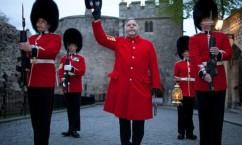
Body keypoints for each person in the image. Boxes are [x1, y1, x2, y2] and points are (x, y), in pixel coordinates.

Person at [86, 1, 161, 144]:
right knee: (124, 121)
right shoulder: (118, 41)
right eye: (128, 25)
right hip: (123, 88)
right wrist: (96, 19)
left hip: (141, 88)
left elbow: (154, 66)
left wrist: (156, 84)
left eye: (134, 24)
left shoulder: (148, 45)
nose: (131, 26)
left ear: (138, 28)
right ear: (125, 29)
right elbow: (101, 38)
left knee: (139, 123)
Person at [189, 0, 233, 145]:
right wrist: (203, 74)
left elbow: (229, 53)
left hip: (219, 82)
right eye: (204, 19)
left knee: (217, 118)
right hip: (202, 84)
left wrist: (219, 53)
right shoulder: (194, 39)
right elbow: (195, 58)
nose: (207, 21)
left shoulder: (221, 37)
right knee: (204, 118)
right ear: (199, 22)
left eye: (208, 19)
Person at [18, 0, 61, 144]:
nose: (39, 24)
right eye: (37, 21)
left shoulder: (55, 38)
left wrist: (30, 49)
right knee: (35, 118)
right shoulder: (31, 38)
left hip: (45, 82)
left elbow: (50, 52)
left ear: (49, 23)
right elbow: (26, 59)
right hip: (32, 81)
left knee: (44, 119)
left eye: (42, 21)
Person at [58, 28, 86, 138]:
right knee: (69, 109)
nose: (71, 47)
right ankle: (70, 128)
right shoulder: (63, 58)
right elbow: (60, 70)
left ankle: (75, 129)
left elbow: (82, 71)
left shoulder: (80, 58)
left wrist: (73, 69)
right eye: (70, 46)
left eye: (73, 46)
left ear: (77, 47)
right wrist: (62, 80)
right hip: (67, 87)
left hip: (76, 87)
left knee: (75, 109)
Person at [173, 36, 197, 140]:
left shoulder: (194, 64)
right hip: (181, 92)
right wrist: (177, 79)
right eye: (185, 51)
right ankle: (181, 132)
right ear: (182, 52)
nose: (187, 53)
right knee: (181, 114)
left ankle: (190, 133)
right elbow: (175, 77)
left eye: (188, 51)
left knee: (190, 114)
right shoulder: (178, 64)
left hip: (191, 92)